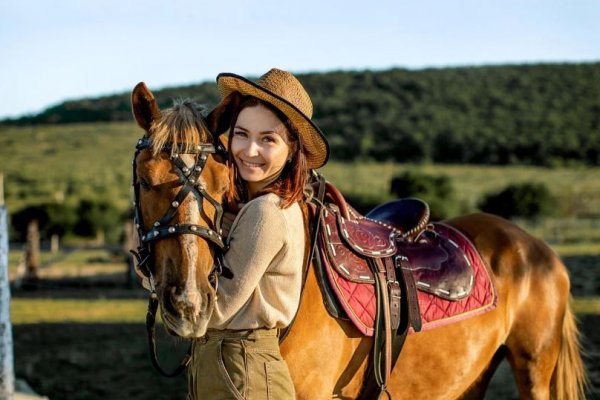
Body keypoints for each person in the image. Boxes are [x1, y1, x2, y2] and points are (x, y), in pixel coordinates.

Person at [187, 68, 329, 400]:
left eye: (268, 139)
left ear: (292, 149)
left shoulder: (266, 212)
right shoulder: (256, 207)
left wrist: (161, 277)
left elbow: (218, 309)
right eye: (241, 134)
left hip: (244, 368)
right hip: (228, 364)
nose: (249, 150)